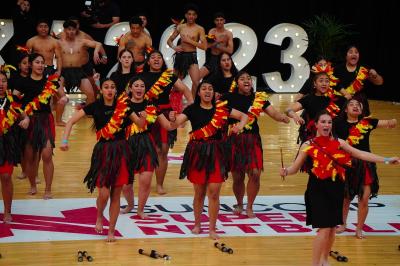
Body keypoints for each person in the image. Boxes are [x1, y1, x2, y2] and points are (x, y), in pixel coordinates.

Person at [280, 110, 399, 266]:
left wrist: (386, 159)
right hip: (317, 190)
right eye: (323, 122)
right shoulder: (308, 144)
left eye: (329, 122)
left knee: (331, 229)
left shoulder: (340, 143)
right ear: (316, 125)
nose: (326, 125)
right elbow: (295, 168)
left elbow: (361, 154)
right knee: (323, 229)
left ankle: (324, 260)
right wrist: (286, 171)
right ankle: (315, 264)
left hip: (336, 188)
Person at [60, 79, 144, 242]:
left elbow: (140, 125)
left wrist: (143, 117)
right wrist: (64, 140)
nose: (110, 90)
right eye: (106, 87)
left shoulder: (124, 107)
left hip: (121, 151)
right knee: (104, 193)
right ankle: (99, 216)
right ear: (101, 91)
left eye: (113, 87)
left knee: (115, 194)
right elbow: (70, 121)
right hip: (103, 152)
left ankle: (111, 231)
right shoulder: (95, 106)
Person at [169, 80, 248, 239]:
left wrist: (240, 126)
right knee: (199, 193)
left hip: (217, 153)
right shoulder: (192, 109)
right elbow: (175, 124)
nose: (207, 91)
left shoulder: (222, 109)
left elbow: (243, 116)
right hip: (198, 152)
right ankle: (197, 224)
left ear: (213, 93)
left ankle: (212, 228)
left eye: (210, 88)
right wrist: (172, 117)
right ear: (198, 93)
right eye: (203, 88)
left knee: (214, 193)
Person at [224, 71, 290, 218]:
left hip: (252, 139)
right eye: (242, 79)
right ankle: (240, 203)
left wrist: (283, 118)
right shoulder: (228, 98)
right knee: (238, 176)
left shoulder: (259, 98)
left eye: (249, 78)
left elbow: (274, 114)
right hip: (235, 140)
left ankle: (249, 207)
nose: (246, 80)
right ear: (236, 83)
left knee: (255, 173)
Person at [334, 99, 397, 238]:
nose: (355, 106)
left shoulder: (367, 123)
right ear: (345, 110)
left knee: (364, 198)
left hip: (365, 164)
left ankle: (359, 229)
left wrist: (392, 121)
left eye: (358, 105)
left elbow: (388, 123)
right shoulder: (337, 124)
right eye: (351, 104)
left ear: (362, 110)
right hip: (346, 164)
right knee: (345, 198)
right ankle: (343, 224)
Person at [13, 53, 67, 199]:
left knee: (47, 154)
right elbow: (13, 103)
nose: (40, 65)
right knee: (30, 158)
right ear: (30, 64)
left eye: (42, 62)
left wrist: (63, 100)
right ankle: (32, 185)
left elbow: (62, 96)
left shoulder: (50, 82)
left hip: (45, 121)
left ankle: (48, 189)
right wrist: (24, 117)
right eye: (37, 62)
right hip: (29, 121)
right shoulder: (22, 82)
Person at [140, 50, 193, 194]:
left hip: (166, 114)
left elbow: (185, 90)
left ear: (163, 61)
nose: (156, 59)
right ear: (148, 61)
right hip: (147, 115)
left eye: (159, 57)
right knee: (146, 150)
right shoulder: (140, 76)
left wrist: (192, 106)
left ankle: (159, 185)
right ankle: (144, 182)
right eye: (153, 57)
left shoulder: (169, 76)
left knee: (162, 151)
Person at [121, 76, 172, 217]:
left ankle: (140, 209)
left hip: (146, 144)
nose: (139, 88)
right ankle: (130, 204)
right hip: (127, 144)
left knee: (146, 180)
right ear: (130, 88)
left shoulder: (151, 106)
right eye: (136, 85)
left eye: (142, 86)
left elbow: (167, 126)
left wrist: (174, 120)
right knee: (126, 186)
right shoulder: (123, 104)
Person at [0, 67, 30, 223]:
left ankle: (7, 211)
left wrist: (26, 120)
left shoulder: (12, 100)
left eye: (4, 81)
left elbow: (25, 116)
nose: (1, 84)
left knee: (6, 177)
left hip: (6, 144)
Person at [286, 72, 346, 143]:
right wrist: (295, 115)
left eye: (327, 81)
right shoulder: (308, 99)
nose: (324, 83)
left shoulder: (337, 99)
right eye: (321, 81)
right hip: (312, 137)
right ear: (315, 84)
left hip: (332, 137)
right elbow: (288, 110)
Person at [26, 19, 66, 126]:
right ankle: (32, 117)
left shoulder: (54, 41)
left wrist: (58, 71)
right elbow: (26, 58)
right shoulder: (31, 41)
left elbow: (59, 57)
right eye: (41, 26)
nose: (43, 28)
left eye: (46, 26)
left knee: (62, 96)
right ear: (37, 28)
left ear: (49, 28)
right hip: (35, 70)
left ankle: (58, 120)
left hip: (50, 70)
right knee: (34, 96)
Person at [167, 3, 207, 97]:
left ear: (196, 16)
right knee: (175, 82)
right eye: (189, 14)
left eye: (193, 14)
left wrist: (190, 41)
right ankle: (173, 104)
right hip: (181, 56)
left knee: (196, 82)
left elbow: (204, 47)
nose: (191, 16)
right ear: (186, 15)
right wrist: (174, 47)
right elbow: (169, 41)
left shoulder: (200, 29)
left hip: (192, 56)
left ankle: (192, 103)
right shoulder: (181, 27)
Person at [58, 19, 102, 104]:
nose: (71, 31)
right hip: (63, 71)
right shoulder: (59, 43)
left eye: (73, 29)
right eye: (69, 29)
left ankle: (87, 114)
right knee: (55, 94)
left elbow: (98, 44)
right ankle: (55, 116)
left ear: (76, 30)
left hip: (78, 71)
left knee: (90, 95)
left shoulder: (81, 42)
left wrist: (96, 52)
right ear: (65, 30)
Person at [334, 45, 383, 116]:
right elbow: (334, 84)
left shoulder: (364, 68)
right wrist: (346, 94)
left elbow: (379, 82)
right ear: (346, 56)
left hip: (360, 103)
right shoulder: (338, 69)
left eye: (356, 52)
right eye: (351, 52)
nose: (354, 54)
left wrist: (375, 75)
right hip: (342, 101)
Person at [199, 12, 234, 79]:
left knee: (229, 79)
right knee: (198, 76)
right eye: (217, 20)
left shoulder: (228, 34)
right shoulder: (212, 31)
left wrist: (216, 45)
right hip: (213, 58)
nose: (219, 22)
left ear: (224, 21)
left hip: (224, 59)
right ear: (214, 21)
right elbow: (207, 46)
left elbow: (230, 50)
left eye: (221, 20)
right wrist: (218, 41)